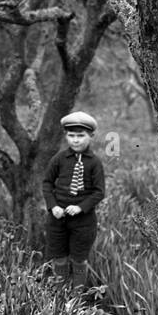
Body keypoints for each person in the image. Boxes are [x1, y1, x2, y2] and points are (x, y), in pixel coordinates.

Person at [41, 111, 105, 290]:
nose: (76, 140)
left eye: (81, 136)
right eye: (71, 135)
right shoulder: (59, 159)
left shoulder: (94, 163)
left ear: (90, 136)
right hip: (57, 220)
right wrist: (53, 206)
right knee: (59, 256)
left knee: (79, 258)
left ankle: (77, 299)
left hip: (83, 222)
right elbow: (47, 183)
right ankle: (60, 294)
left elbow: (99, 192)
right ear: (66, 136)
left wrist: (80, 208)